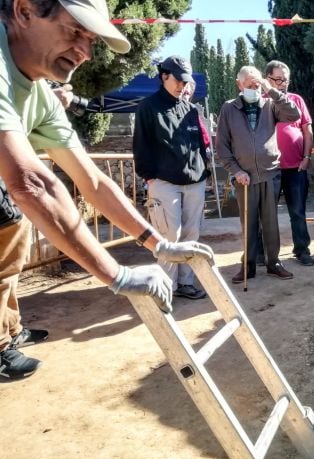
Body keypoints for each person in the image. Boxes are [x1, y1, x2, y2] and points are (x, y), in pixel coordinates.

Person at [0, 0, 213, 381]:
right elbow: (32, 183)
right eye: (75, 31)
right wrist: (118, 275)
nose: (84, 52)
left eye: (92, 40)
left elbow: (94, 182)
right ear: (25, 10)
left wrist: (157, 244)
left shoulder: (41, 95)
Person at [133, 56, 210, 300]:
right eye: (178, 80)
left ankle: (186, 283)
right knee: (168, 237)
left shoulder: (190, 109)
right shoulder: (148, 107)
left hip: (195, 182)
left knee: (191, 236)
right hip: (164, 183)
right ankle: (166, 287)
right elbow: (141, 146)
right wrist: (150, 178)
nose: (182, 86)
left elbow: (199, 144)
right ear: (164, 76)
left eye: (186, 82)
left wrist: (203, 171)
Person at [215, 65, 300, 284]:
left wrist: (269, 89)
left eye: (256, 84)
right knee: (249, 223)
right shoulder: (228, 108)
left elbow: (294, 114)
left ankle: (274, 263)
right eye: (249, 85)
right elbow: (222, 146)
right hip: (245, 177)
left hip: (270, 174)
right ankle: (248, 266)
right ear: (239, 85)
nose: (254, 88)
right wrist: (236, 170)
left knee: (271, 223)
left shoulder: (270, 104)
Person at [263, 60, 314, 266]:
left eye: (285, 80)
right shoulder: (261, 101)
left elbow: (307, 130)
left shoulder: (296, 100)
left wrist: (307, 157)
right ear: (267, 79)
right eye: (278, 79)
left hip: (295, 167)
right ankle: (261, 254)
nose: (283, 83)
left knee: (297, 211)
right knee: (265, 214)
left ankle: (302, 250)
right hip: (269, 169)